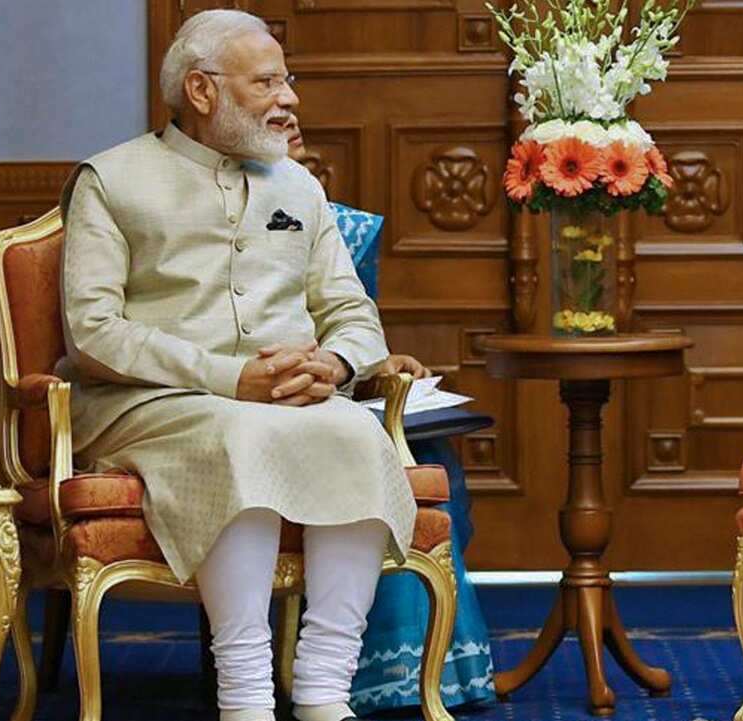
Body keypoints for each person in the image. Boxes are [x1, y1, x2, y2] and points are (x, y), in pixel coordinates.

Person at [57, 10, 416, 721]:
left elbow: (353, 311)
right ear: (201, 89)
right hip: (150, 402)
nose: (290, 98)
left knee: (355, 434)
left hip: (286, 399)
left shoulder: (299, 187)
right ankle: (246, 694)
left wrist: (334, 363)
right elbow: (93, 330)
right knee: (241, 434)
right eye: (268, 81)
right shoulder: (111, 179)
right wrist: (228, 377)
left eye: (288, 80)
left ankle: (323, 687)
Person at [286, 116, 498, 713]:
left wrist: (381, 361)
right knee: (386, 456)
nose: (290, 114)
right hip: (269, 398)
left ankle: (433, 669)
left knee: (429, 459)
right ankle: (358, 672)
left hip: (339, 387)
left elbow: (353, 324)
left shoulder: (340, 226)